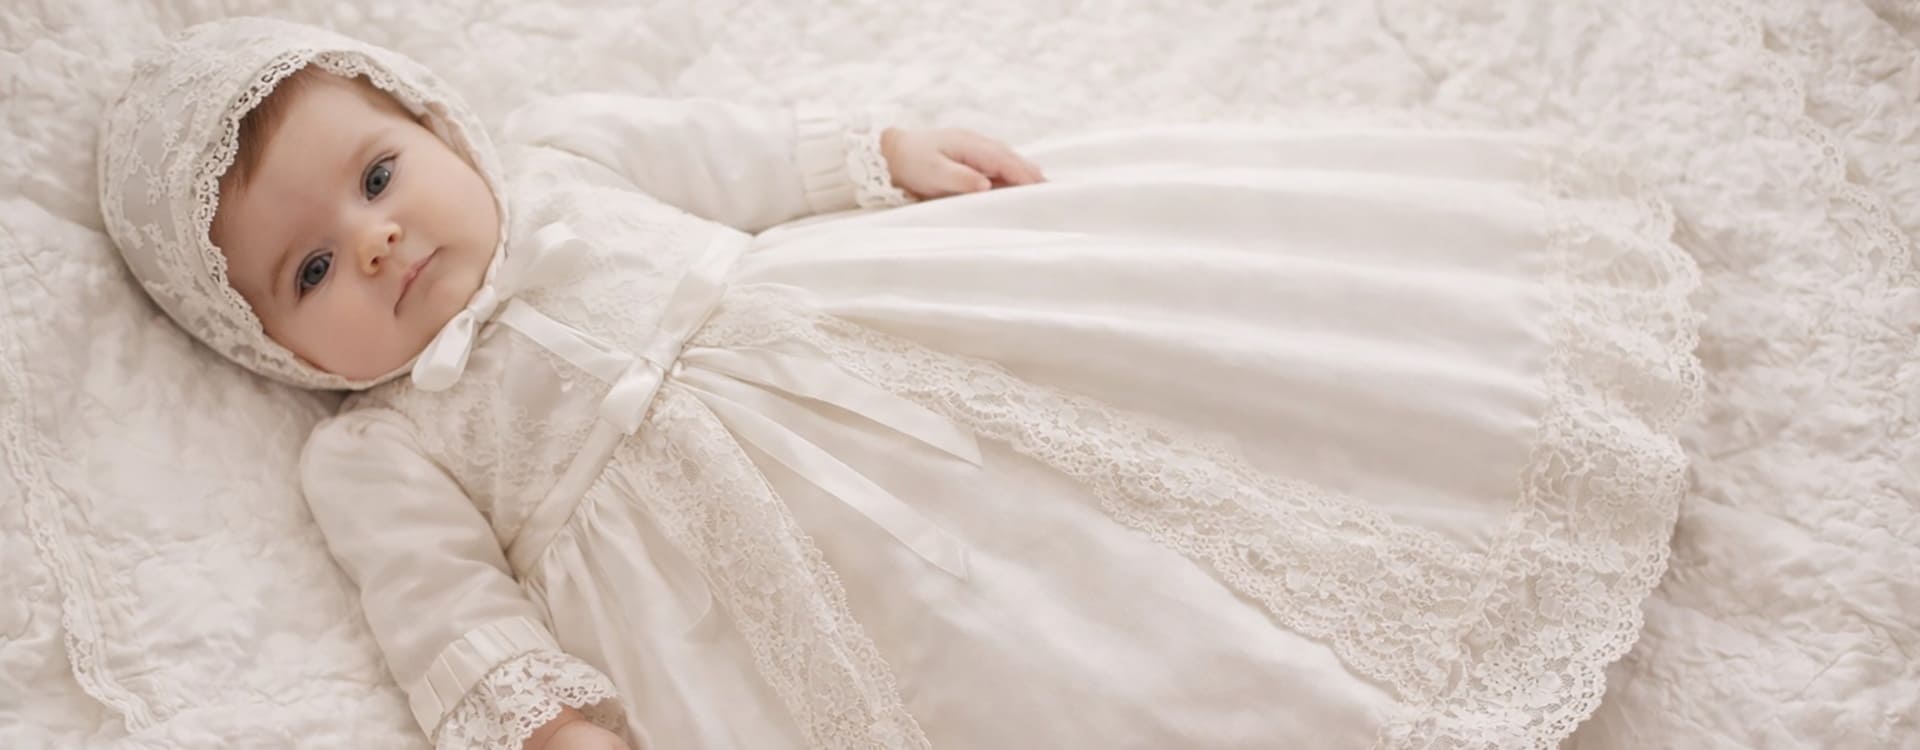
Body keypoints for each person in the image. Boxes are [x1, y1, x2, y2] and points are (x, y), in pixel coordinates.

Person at [97, 16, 1702, 750]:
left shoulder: (572, 158)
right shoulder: (371, 456)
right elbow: (446, 616)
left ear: (444, 130)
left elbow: (745, 157)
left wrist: (880, 154)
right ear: (269, 348)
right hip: (734, 597)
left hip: (883, 357)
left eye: (381, 176)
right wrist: (552, 724)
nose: (375, 245)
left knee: (1098, 486)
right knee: (983, 657)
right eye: (310, 270)